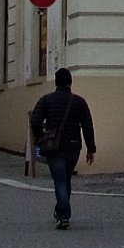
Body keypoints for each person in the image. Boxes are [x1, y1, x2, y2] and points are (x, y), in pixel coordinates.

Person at [29, 67, 97, 230]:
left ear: (56, 82)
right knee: (66, 179)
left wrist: (41, 136)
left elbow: (35, 120)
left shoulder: (46, 100)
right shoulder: (79, 101)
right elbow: (87, 126)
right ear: (70, 83)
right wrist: (91, 148)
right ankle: (61, 210)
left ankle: (63, 214)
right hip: (74, 146)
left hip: (54, 147)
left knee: (59, 180)